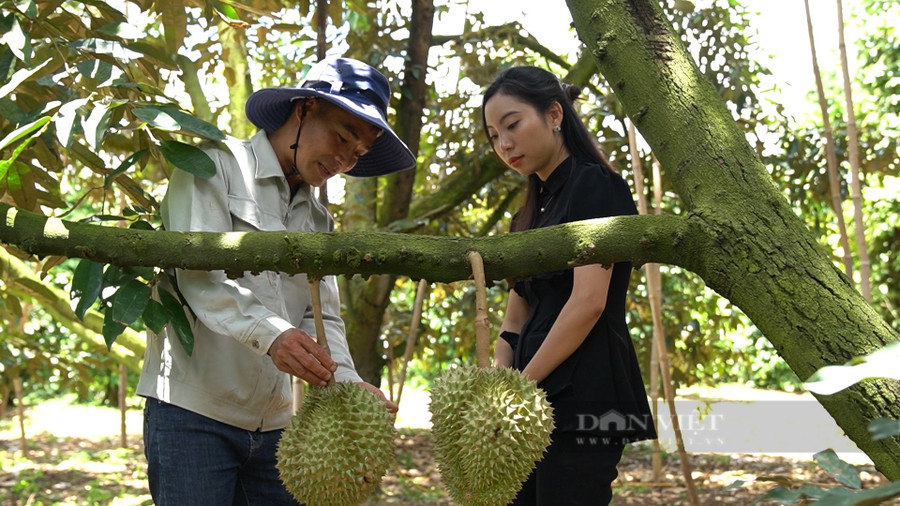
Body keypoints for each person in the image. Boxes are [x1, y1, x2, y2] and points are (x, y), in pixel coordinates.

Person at [137, 57, 416, 505]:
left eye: (358, 154)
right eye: (342, 137)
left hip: (277, 428)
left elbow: (320, 316)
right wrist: (273, 335)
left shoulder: (318, 219)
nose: (344, 160)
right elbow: (199, 277)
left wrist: (344, 379)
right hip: (194, 414)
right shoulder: (213, 166)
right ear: (304, 109)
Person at [482, 66, 657, 505]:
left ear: (554, 114)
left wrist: (522, 386)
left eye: (513, 125)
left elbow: (588, 303)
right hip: (528, 393)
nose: (504, 144)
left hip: (585, 394)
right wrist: (501, 380)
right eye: (493, 136)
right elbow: (517, 310)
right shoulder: (528, 213)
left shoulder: (596, 188)